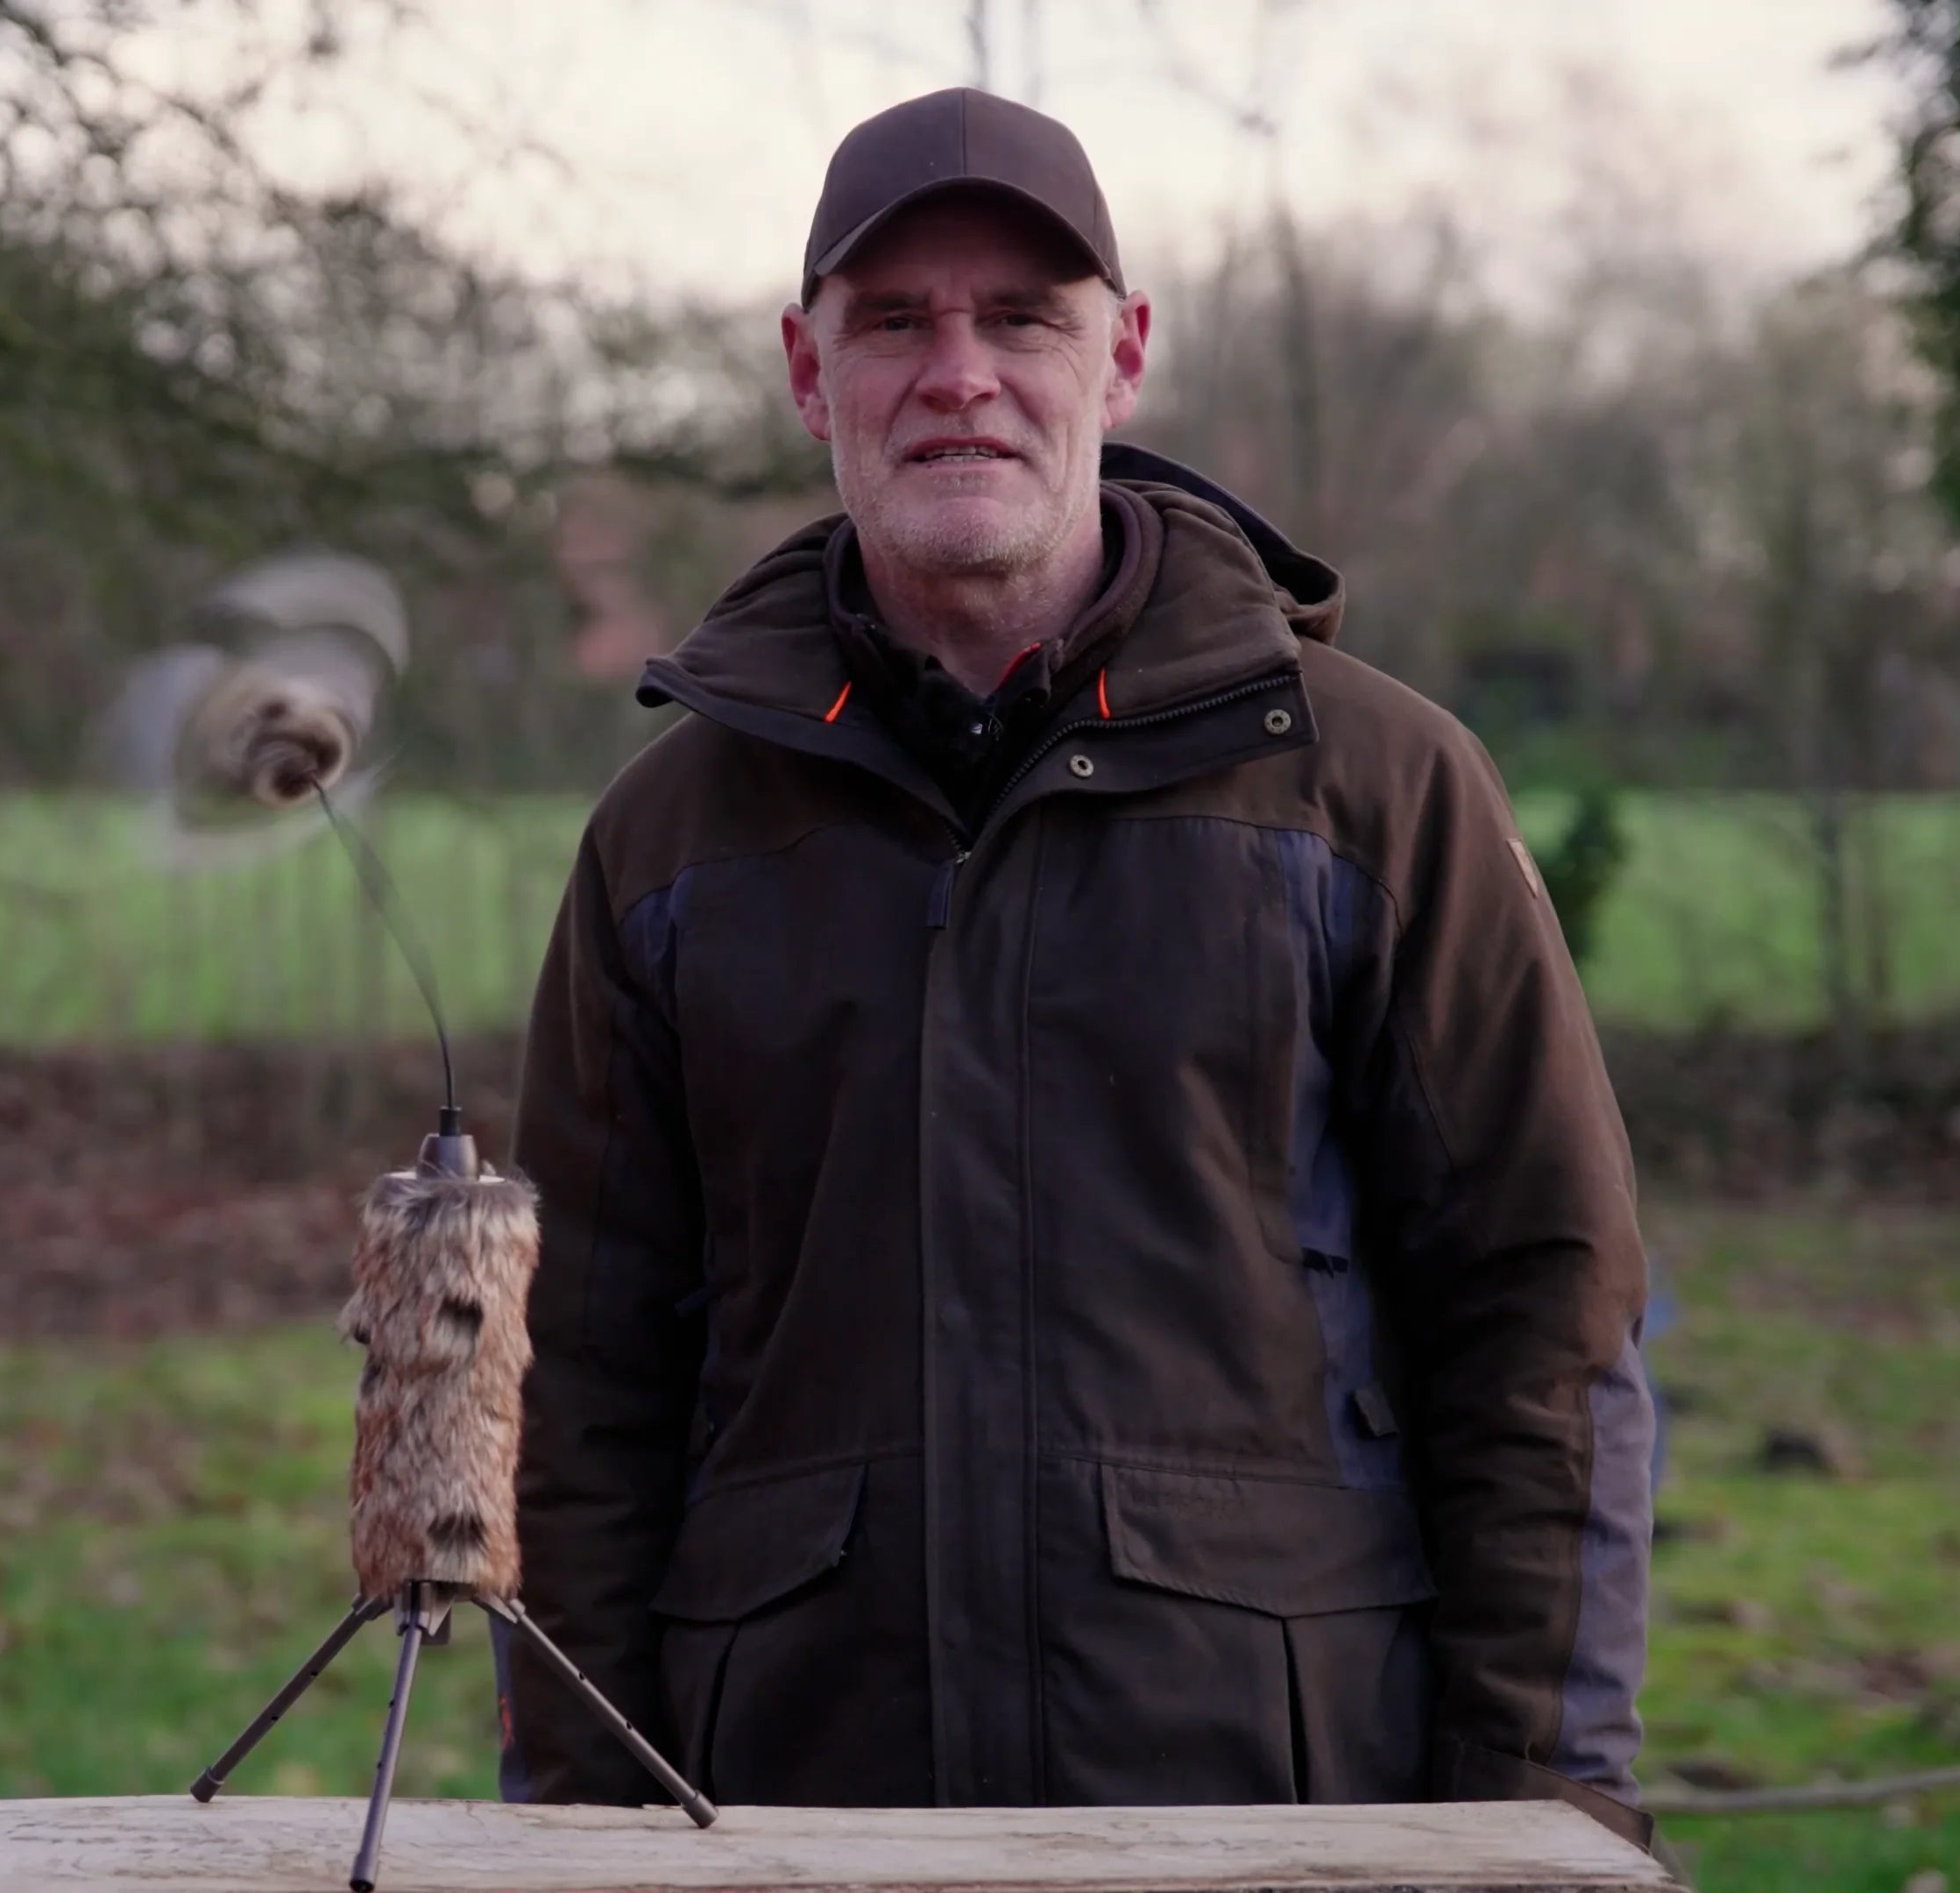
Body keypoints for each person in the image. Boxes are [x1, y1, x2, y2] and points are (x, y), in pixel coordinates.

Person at [499, 87, 1656, 1852]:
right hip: (792, 1817)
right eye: (894, 321)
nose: (957, 372)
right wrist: (573, 1839)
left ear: (1121, 357)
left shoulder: (1374, 790)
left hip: (1273, 1818)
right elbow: (573, 1403)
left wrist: (1537, 1824)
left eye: (1022, 317)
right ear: (811, 377)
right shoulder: (667, 849)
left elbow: (1545, 1326)